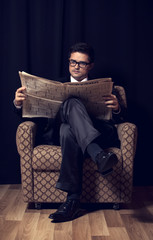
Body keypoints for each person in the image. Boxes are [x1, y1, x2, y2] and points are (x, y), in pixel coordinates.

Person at [14, 42, 126, 222]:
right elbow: (35, 117)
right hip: (56, 135)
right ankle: (98, 155)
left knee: (68, 130)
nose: (76, 66)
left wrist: (118, 108)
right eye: (72, 62)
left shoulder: (108, 89)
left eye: (81, 63)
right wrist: (19, 104)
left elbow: (122, 120)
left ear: (90, 66)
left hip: (89, 132)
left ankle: (72, 201)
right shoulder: (55, 84)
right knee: (70, 105)